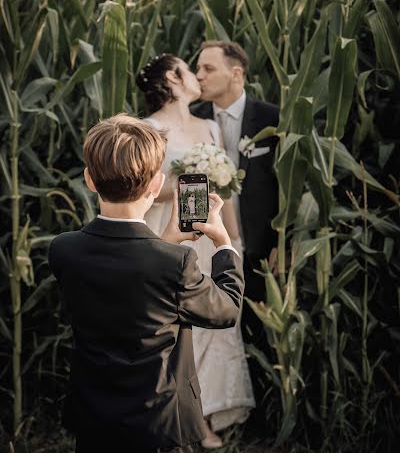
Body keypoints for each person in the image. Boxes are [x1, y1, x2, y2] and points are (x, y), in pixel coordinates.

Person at [48, 114, 244, 453]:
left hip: (95, 421)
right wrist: (224, 244)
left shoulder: (64, 250)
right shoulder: (174, 263)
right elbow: (225, 310)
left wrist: (167, 240)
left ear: (89, 180)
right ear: (156, 186)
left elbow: (129, 278)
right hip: (161, 424)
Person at [137, 55, 255, 448]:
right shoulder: (148, 129)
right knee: (174, 326)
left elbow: (226, 192)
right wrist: (190, 180)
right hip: (166, 236)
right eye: (190, 70)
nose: (196, 77)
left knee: (210, 323)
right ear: (173, 79)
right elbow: (140, 192)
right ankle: (171, 416)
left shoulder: (209, 127)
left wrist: (233, 243)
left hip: (208, 238)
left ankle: (204, 416)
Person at [192, 41, 280, 307]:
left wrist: (283, 242)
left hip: (263, 249)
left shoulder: (273, 119)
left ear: (236, 74)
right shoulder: (193, 121)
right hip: (209, 248)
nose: (199, 76)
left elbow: (290, 184)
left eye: (208, 68)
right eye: (197, 69)